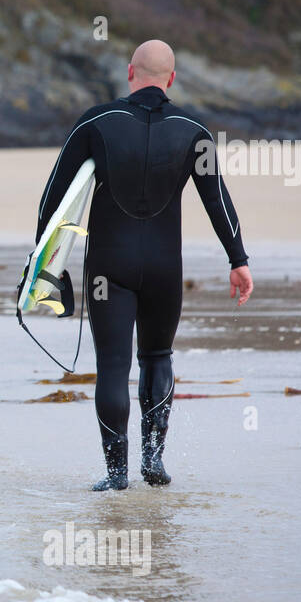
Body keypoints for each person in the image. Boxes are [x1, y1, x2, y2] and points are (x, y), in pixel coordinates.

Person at [34, 40, 254, 490]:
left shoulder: (96, 121)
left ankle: (117, 475)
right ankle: (153, 462)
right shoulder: (193, 130)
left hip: (107, 269)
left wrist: (41, 262)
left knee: (113, 366)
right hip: (163, 270)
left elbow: (54, 195)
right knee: (157, 357)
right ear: (171, 79)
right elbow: (218, 202)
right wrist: (238, 260)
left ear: (130, 71)